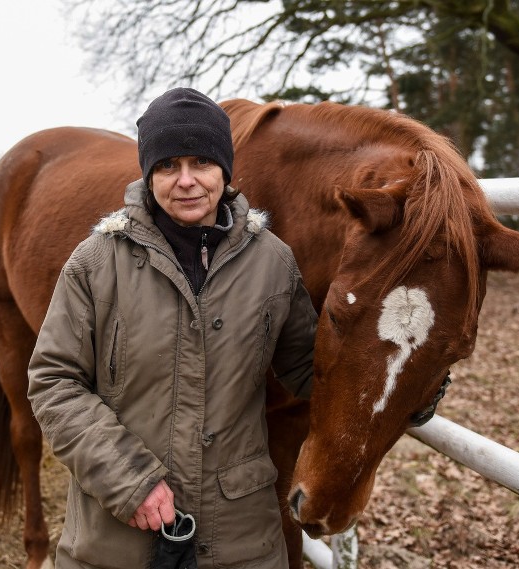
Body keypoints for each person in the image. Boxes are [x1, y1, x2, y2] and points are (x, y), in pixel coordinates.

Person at [28, 87, 317, 568]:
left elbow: (313, 373)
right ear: (148, 174)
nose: (185, 181)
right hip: (114, 540)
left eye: (201, 163)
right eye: (167, 166)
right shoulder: (96, 263)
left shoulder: (274, 264)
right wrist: (130, 481)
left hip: (241, 541)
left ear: (225, 170)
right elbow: (54, 381)